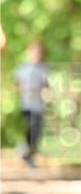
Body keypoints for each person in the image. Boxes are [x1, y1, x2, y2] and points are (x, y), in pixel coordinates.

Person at [13, 39, 49, 168]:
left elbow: (47, 87)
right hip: (26, 105)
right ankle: (25, 152)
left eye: (38, 53)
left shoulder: (43, 70)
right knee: (30, 129)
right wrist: (24, 91)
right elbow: (16, 86)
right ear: (28, 53)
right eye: (34, 52)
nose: (36, 55)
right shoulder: (21, 69)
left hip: (38, 106)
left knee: (36, 134)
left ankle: (26, 154)